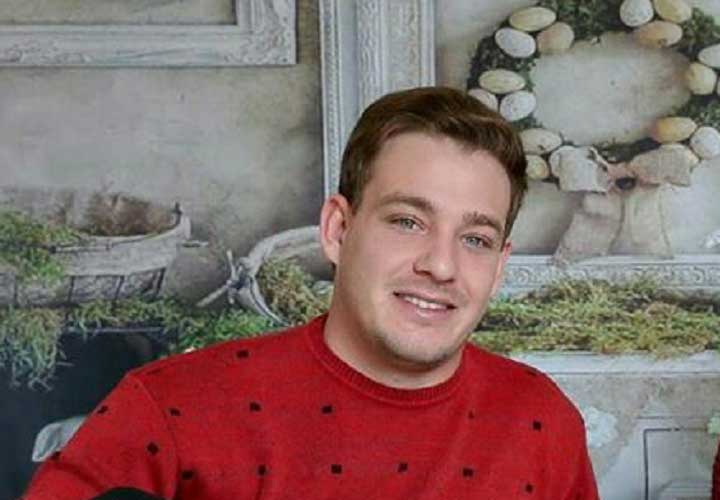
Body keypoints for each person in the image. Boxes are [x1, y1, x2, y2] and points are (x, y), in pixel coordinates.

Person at [22, 86, 599, 499]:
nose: (441, 265)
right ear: (337, 230)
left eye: (475, 239)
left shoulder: (541, 421)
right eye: (407, 222)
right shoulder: (168, 408)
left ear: (499, 268)